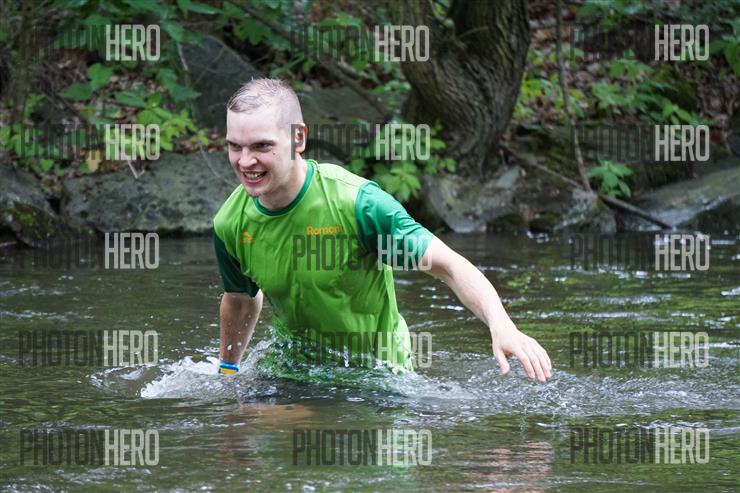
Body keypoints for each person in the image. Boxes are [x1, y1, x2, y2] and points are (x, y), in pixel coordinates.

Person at [213, 78, 552, 382]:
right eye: (234, 146)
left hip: (376, 378)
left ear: (297, 138)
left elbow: (449, 266)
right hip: (293, 371)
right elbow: (240, 299)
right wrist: (227, 370)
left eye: (261, 146)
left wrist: (502, 326)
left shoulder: (359, 206)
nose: (244, 161)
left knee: (267, 416)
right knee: (238, 419)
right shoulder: (230, 222)